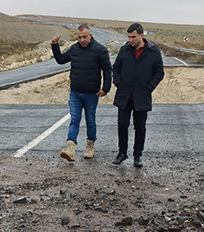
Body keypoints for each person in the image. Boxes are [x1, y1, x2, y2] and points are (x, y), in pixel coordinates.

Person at [51, 24, 112, 161]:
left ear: (90, 35)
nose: (82, 40)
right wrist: (55, 45)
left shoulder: (100, 50)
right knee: (74, 119)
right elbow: (61, 60)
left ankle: (90, 147)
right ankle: (70, 149)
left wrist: (106, 88)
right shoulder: (74, 49)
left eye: (84, 37)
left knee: (90, 121)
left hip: (92, 94)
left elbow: (107, 70)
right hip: (75, 93)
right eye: (79, 37)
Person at [111, 23, 164, 167]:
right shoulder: (124, 50)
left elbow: (159, 73)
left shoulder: (153, 52)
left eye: (133, 37)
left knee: (140, 126)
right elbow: (115, 68)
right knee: (122, 124)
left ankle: (137, 155)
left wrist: (149, 88)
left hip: (142, 96)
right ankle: (122, 152)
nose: (131, 40)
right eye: (129, 37)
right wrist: (118, 83)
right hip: (124, 95)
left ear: (141, 35)